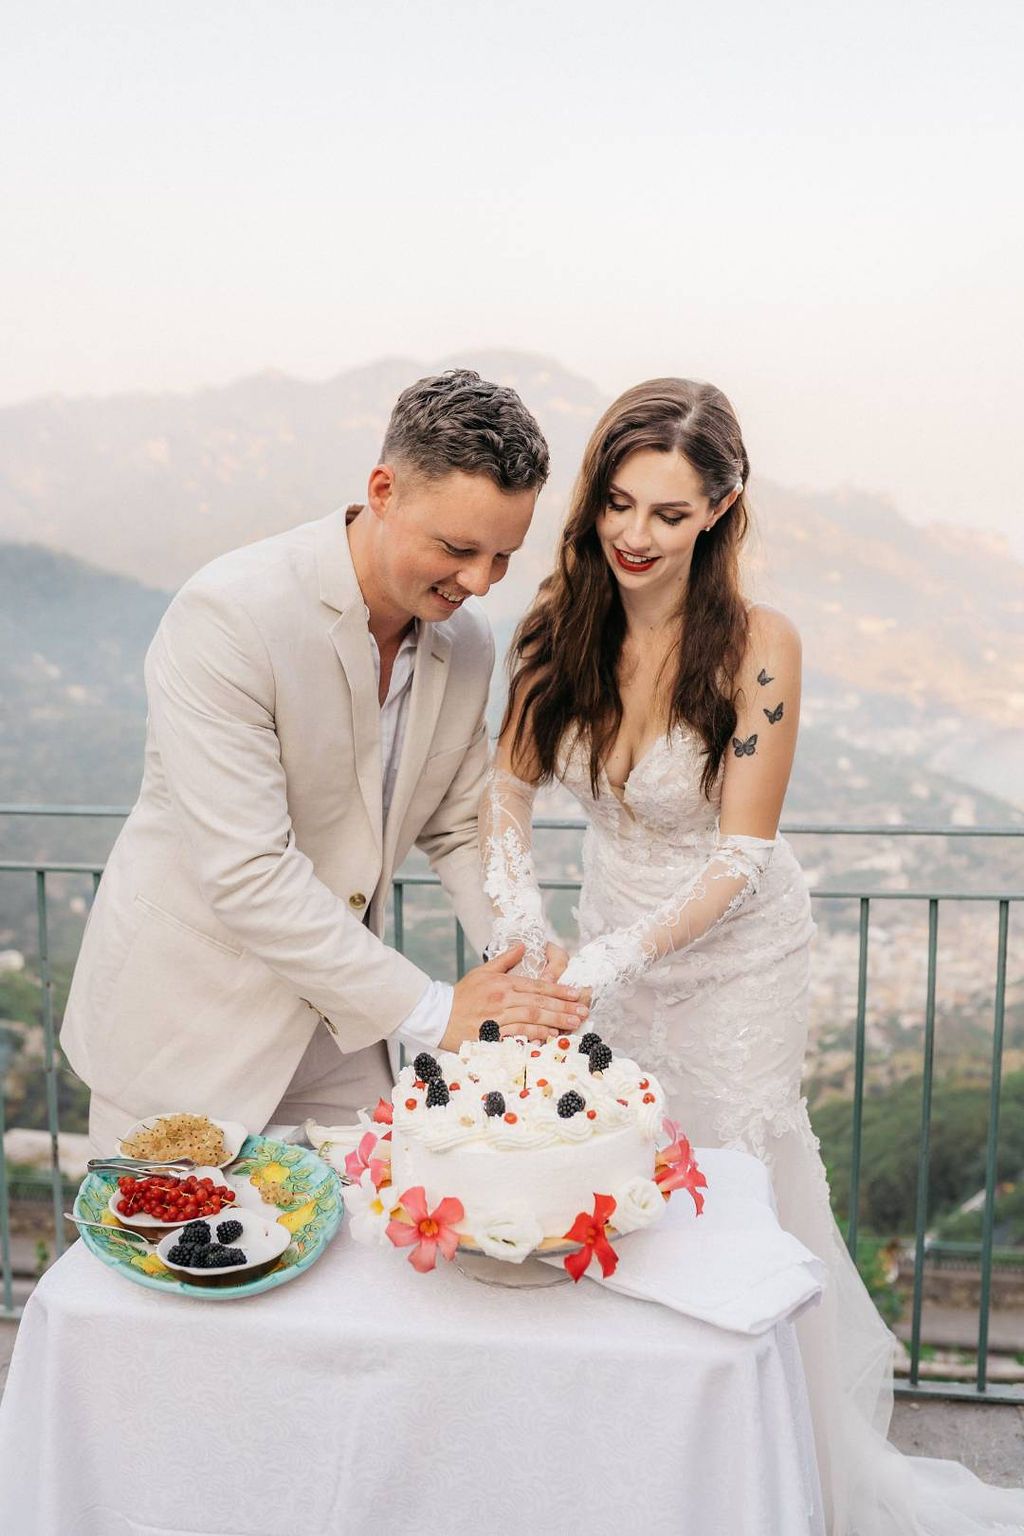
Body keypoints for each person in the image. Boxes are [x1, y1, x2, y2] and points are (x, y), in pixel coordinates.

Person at [480, 377, 1024, 1534]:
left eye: (668, 515)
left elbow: (738, 857)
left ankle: (768, 1476)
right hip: (603, 935)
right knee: (618, 1181)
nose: (633, 535)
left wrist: (613, 957)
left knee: (731, 1189)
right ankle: (637, 1455)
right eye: (618, 503)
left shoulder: (759, 648)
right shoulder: (553, 623)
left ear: (723, 509)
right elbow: (507, 790)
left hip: (732, 957)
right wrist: (520, 912)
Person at [62, 369, 586, 1153]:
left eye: (503, 557)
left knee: (373, 1252)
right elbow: (249, 871)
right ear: (384, 490)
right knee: (165, 1268)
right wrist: (442, 1015)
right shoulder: (229, 616)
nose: (479, 582)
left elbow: (461, 827)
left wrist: (525, 956)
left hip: (344, 1035)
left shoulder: (467, 643)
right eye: (457, 548)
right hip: (186, 1032)